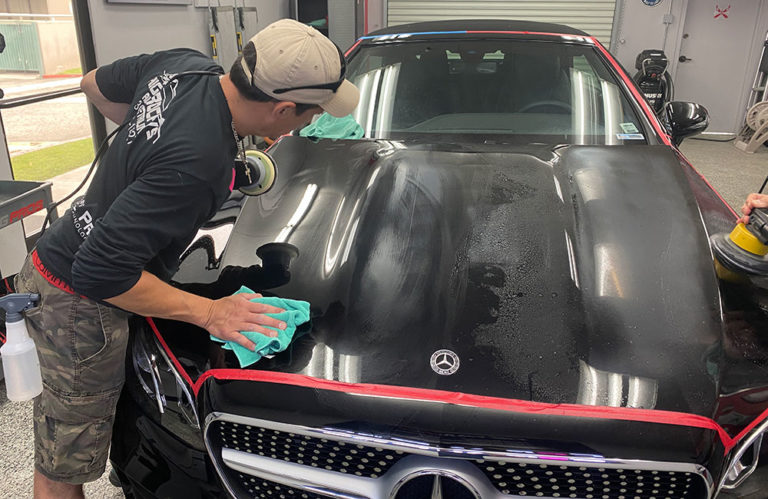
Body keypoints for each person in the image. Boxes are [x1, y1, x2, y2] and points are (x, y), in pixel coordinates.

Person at [14, 18, 359, 499]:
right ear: (282, 109)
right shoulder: (197, 164)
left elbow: (92, 82)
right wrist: (212, 312)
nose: (309, 124)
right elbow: (100, 271)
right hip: (77, 304)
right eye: (310, 115)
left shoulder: (185, 66)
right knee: (64, 459)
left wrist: (150, 144)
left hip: (53, 252)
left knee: (75, 430)